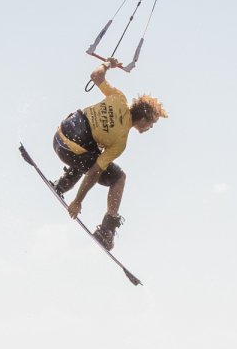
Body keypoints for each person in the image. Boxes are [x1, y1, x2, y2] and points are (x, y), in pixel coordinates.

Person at [52, 59, 168, 250]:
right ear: (143, 119)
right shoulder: (120, 141)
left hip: (58, 139)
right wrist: (78, 202)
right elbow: (94, 172)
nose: (150, 128)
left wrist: (107, 63)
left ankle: (63, 184)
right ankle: (107, 230)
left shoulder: (118, 97)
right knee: (118, 176)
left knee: (90, 149)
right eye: (151, 123)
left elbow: (96, 76)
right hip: (71, 152)